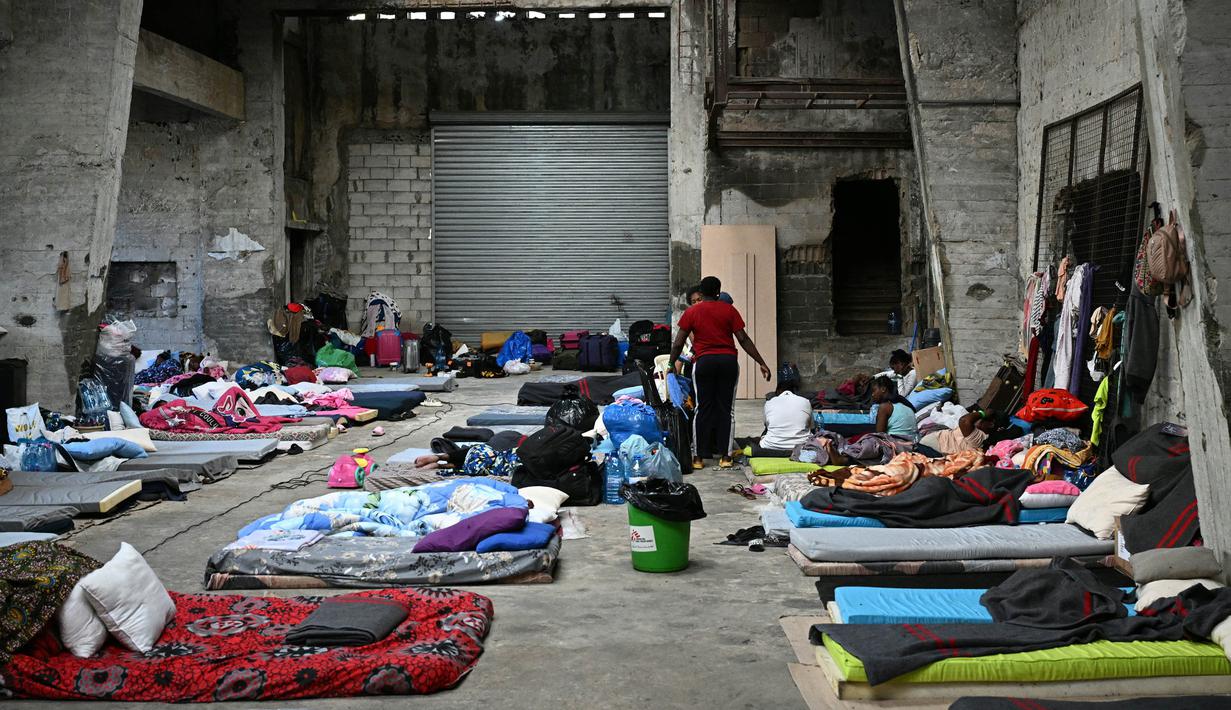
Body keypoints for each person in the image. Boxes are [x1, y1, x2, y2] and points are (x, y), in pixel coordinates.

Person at [671, 276, 771, 470]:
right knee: (727, 410)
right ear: (718, 292)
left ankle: (698, 458)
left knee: (702, 408)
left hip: (704, 362)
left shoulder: (692, 312)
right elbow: (743, 338)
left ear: (701, 292)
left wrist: (669, 364)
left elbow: (678, 342)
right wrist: (761, 362)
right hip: (728, 362)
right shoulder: (729, 310)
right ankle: (726, 457)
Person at [753, 385, 813, 457]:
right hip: (802, 445)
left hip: (770, 446)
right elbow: (812, 426)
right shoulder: (805, 401)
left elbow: (766, 425)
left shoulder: (769, 403)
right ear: (795, 392)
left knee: (767, 429)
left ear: (778, 392)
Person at [920, 408, 1007, 454]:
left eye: (982, 419)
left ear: (990, 424)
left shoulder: (982, 437)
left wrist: (983, 413)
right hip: (935, 440)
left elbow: (964, 420)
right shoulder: (977, 430)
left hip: (936, 447)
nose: (977, 419)